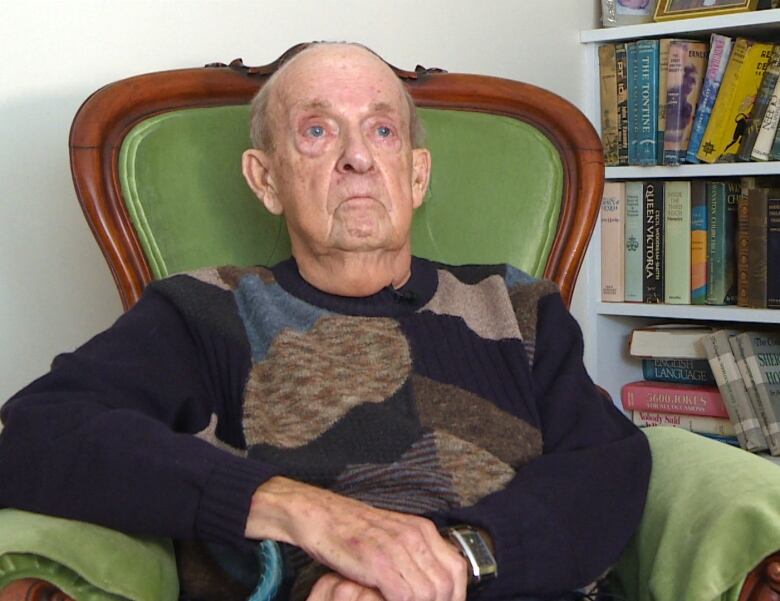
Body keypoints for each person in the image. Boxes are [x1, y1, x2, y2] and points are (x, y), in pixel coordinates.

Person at [0, 43, 651, 601]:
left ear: (416, 174)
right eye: (317, 130)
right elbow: (34, 434)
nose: (357, 158)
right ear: (266, 180)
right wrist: (301, 512)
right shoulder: (201, 312)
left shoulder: (513, 304)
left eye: (382, 130)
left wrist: (452, 558)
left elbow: (607, 468)